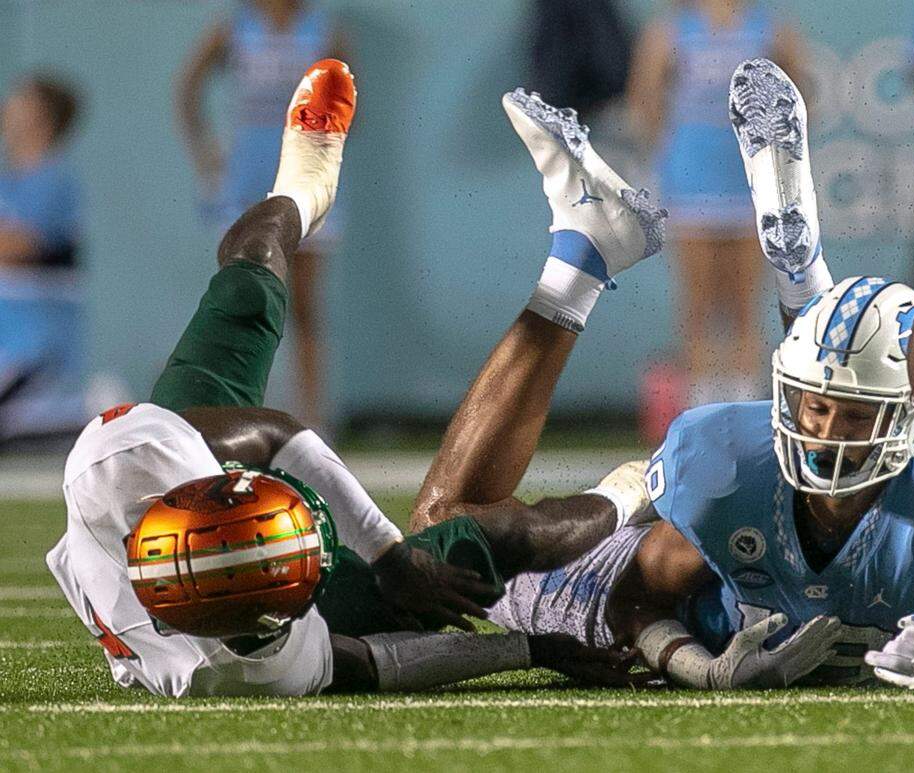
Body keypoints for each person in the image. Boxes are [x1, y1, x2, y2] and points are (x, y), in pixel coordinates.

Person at [46, 61, 666, 697]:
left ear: (197, 492)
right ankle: (651, 480)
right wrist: (526, 649)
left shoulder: (119, 466)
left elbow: (272, 434)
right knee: (480, 539)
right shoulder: (244, 665)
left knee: (250, 268)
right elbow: (380, 665)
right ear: (279, 611)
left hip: (173, 486)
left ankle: (303, 185)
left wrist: (389, 557)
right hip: (270, 584)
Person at [468, 61, 914, 692]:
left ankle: (801, 278)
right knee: (455, 534)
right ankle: (582, 260)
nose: (827, 437)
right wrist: (700, 668)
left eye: (858, 417)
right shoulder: (732, 469)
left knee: (830, 370)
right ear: (781, 399)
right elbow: (633, 599)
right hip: (604, 590)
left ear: (912, 423)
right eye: (815, 411)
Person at [178, 0, 349, 430]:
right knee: (241, 298)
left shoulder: (323, 28)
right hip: (246, 181)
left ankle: (313, 423)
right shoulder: (235, 26)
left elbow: (347, 100)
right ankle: (232, 414)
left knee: (305, 306)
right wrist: (207, 158)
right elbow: (187, 88)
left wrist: (323, 152)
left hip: (304, 178)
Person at [626, 0, 804, 407]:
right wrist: (674, 150)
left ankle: (744, 404)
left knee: (745, 303)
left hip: (748, 177)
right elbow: (645, 99)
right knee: (699, 304)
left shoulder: (770, 29)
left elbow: (798, 94)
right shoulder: (671, 31)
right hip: (691, 179)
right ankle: (702, 406)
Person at [0, 74, 86, 443]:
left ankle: (81, 410)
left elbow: (18, 247)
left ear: (40, 117)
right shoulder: (8, 182)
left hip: (35, 346)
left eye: (17, 101)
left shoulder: (54, 182)